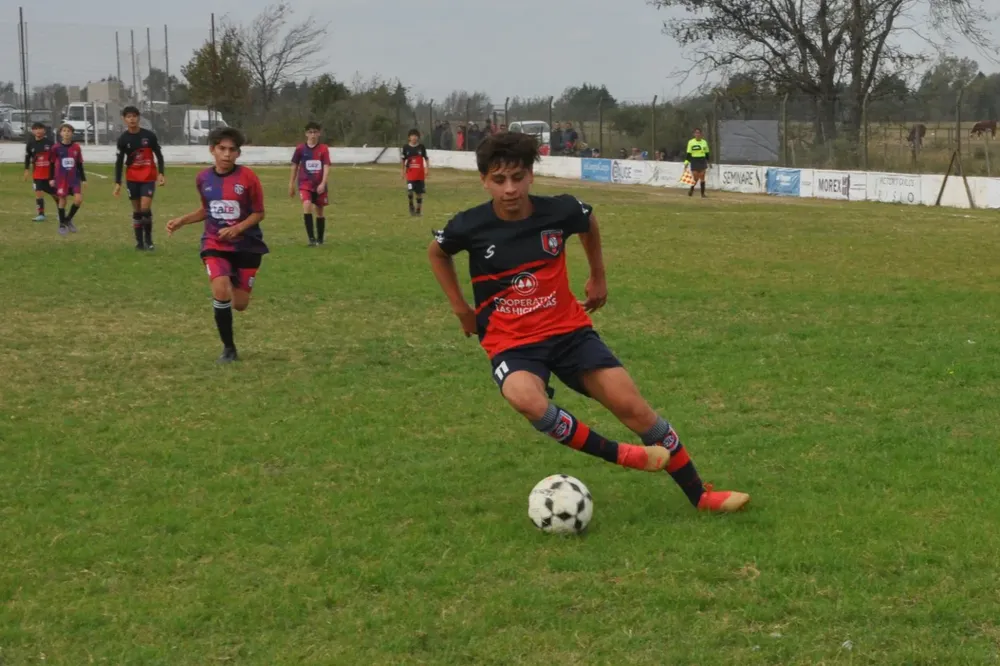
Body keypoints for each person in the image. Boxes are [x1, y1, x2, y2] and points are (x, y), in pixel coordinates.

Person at [427, 132, 749, 513]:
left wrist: (598, 276)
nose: (510, 189)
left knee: (635, 409)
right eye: (499, 180)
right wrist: (461, 309)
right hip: (511, 343)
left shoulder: (559, 210)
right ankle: (625, 455)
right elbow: (437, 253)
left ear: (531, 175)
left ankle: (701, 496)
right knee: (525, 398)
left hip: (569, 333)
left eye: (517, 177)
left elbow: (588, 221)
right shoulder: (470, 225)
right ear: (484, 180)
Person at [166, 127, 268, 364]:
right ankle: (229, 349)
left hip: (247, 245)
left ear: (238, 153)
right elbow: (207, 209)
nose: (227, 154)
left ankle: (230, 277)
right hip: (215, 243)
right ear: (212, 150)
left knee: (240, 304)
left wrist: (237, 228)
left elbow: (259, 213)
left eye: (232, 150)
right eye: (222, 149)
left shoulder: (248, 178)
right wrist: (182, 220)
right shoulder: (203, 178)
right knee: (220, 290)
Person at [113, 106, 166, 250]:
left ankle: (149, 241)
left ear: (138, 118)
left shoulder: (149, 136)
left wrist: (161, 173)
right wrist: (117, 182)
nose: (132, 119)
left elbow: (159, 155)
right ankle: (139, 243)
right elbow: (119, 161)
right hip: (132, 178)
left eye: (134, 116)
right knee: (137, 211)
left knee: (145, 209)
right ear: (124, 119)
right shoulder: (123, 139)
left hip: (148, 177)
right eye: (129, 117)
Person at [289, 121, 331, 246]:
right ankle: (311, 239)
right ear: (306, 134)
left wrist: (323, 183)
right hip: (305, 184)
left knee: (319, 211)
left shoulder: (323, 149)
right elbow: (294, 166)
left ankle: (320, 239)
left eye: (315, 132)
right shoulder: (300, 149)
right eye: (310, 132)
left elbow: (326, 166)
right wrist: (291, 184)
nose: (313, 135)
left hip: (319, 184)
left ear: (319, 133)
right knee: (307, 205)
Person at [49, 123, 86, 235]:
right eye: (64, 131)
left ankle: (68, 219)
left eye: (69, 131)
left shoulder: (76, 147)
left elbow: (79, 164)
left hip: (74, 178)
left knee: (78, 200)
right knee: (62, 200)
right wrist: (51, 178)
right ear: (60, 133)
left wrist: (84, 179)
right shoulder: (55, 148)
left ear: (72, 133)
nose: (66, 133)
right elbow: (51, 164)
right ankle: (61, 224)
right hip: (61, 178)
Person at [23, 122, 56, 222]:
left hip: (49, 174)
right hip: (37, 174)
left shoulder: (50, 143)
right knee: (38, 192)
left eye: (40, 128)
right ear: (33, 131)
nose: (38, 131)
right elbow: (27, 157)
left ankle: (61, 212)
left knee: (55, 194)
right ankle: (41, 215)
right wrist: (26, 169)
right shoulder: (30, 144)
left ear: (44, 131)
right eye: (36, 129)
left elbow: (55, 158)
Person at [401, 129, 430, 216]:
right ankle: (411, 206)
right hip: (410, 174)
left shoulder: (421, 147)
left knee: (419, 193)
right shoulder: (406, 147)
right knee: (410, 191)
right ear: (409, 137)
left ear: (418, 137)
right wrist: (402, 171)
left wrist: (427, 169)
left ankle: (418, 210)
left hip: (420, 174)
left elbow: (426, 158)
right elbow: (403, 160)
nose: (414, 138)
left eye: (416, 136)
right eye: (412, 136)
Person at [685, 128, 711, 198]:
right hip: (694, 160)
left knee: (702, 176)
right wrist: (686, 162)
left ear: (701, 134)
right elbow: (689, 153)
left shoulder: (704, 142)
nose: (697, 134)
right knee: (696, 177)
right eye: (696, 133)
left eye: (699, 133)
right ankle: (691, 189)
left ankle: (703, 193)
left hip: (702, 160)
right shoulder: (691, 142)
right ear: (694, 134)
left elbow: (707, 153)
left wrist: (708, 161)